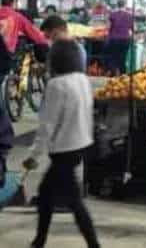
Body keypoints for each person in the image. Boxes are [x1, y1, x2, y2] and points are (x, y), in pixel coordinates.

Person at [22, 39, 100, 248]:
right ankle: (39, 241)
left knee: (73, 201)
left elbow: (47, 126)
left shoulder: (57, 86)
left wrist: (33, 156)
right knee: (47, 194)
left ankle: (93, 244)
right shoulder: (83, 80)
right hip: (82, 144)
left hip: (64, 149)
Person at [0, 0, 48, 77]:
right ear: (12, 4)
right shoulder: (17, 16)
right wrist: (44, 40)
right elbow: (33, 32)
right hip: (7, 53)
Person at [106, 0, 133, 75]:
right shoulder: (129, 15)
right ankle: (122, 76)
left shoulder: (112, 14)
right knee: (123, 58)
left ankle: (113, 74)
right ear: (125, 5)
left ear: (117, 5)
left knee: (113, 58)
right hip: (125, 39)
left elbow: (109, 27)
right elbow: (132, 28)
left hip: (114, 39)